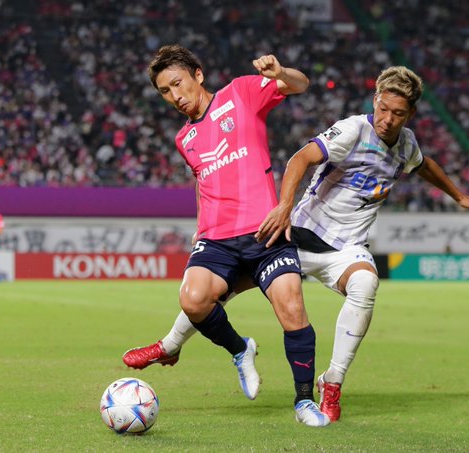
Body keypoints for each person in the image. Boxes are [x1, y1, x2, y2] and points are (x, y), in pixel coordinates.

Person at [123, 66, 469, 422]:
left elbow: (423, 163)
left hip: (346, 248)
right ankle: (170, 345)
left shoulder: (406, 144)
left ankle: (331, 383)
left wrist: (459, 196)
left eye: (397, 113)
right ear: (375, 100)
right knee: (218, 288)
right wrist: (284, 206)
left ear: (410, 114)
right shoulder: (353, 130)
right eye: (383, 108)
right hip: (300, 234)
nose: (387, 119)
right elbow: (300, 158)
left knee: (366, 284)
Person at [124, 45, 329, 427]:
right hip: (217, 238)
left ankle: (304, 401)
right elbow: (202, 180)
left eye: (178, 84)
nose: (175, 96)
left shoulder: (241, 93)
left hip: (265, 231)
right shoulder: (184, 138)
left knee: (292, 307)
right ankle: (240, 350)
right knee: (192, 299)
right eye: (165, 91)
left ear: (198, 75)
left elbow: (300, 84)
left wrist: (281, 72)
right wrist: (200, 226)